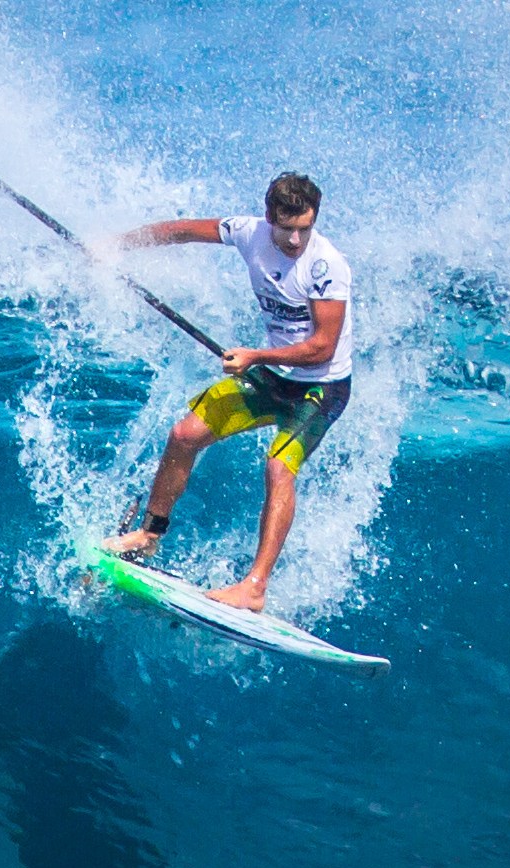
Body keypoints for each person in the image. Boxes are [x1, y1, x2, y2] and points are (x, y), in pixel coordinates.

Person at [98, 172, 353, 612]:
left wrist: (254, 356)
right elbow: (181, 231)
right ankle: (148, 534)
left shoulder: (327, 267)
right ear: (269, 215)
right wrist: (116, 245)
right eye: (286, 228)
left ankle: (254, 588)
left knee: (279, 468)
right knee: (184, 435)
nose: (295, 240)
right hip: (273, 377)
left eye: (304, 229)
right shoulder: (248, 232)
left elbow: (321, 347)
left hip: (320, 388)